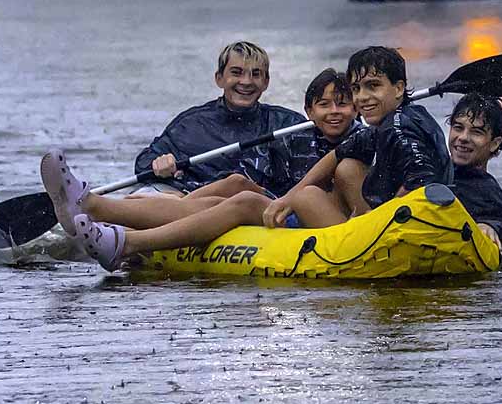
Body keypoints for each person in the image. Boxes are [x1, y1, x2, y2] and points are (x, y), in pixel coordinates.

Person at [41, 70, 359, 270]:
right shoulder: (299, 130)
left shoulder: (359, 138)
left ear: (355, 108)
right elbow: (271, 177)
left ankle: (112, 225)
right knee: (234, 183)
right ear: (309, 110)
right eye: (324, 105)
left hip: (316, 221)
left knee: (240, 203)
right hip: (290, 205)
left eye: (342, 104)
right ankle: (96, 212)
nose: (334, 112)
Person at [261, 46, 453, 229]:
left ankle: (350, 247)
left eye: (373, 86)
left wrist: (377, 222)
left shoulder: (399, 126)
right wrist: (287, 197)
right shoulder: (393, 121)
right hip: (396, 219)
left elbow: (421, 181)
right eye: (356, 89)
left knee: (306, 198)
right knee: (347, 168)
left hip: (418, 227)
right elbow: (338, 153)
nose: (362, 97)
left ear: (399, 88)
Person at [132, 41, 306, 197]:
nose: (246, 82)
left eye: (255, 74)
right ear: (219, 79)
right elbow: (143, 163)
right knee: (143, 196)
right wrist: (160, 164)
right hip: (193, 204)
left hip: (262, 210)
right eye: (236, 73)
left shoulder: (288, 124)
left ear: (266, 82)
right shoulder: (191, 124)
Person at [445, 93, 502, 269]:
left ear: (494, 143)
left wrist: (490, 227)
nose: (463, 137)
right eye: (458, 128)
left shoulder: (488, 192)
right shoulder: (427, 171)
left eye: (476, 132)